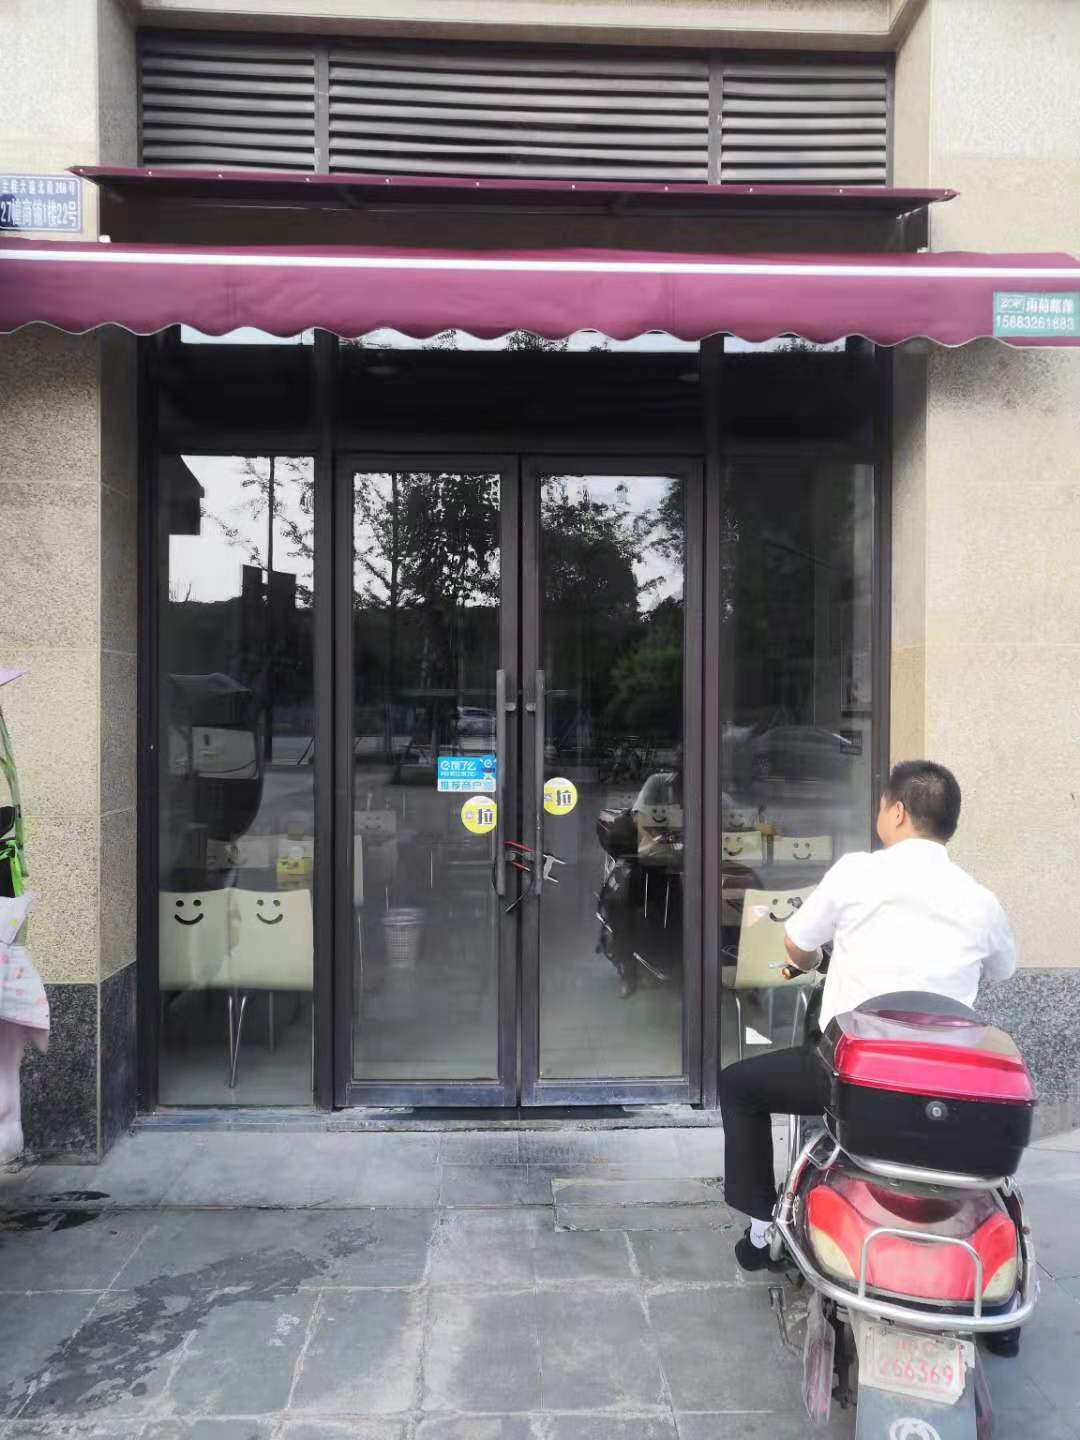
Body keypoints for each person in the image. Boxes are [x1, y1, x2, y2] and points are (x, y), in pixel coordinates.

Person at [721, 760, 1017, 1278]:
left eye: (882, 805)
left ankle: (762, 1229)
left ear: (897, 812)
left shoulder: (857, 872)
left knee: (739, 1085)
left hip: (858, 1084)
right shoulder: (980, 900)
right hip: (945, 1089)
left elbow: (797, 942)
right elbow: (1004, 969)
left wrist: (808, 960)